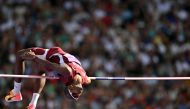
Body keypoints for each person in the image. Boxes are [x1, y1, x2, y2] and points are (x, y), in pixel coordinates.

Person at [4, 47, 91, 109]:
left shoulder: (67, 71)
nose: (78, 94)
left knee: (20, 55)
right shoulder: (86, 80)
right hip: (57, 65)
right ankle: (33, 104)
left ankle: (16, 92)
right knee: (40, 71)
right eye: (77, 96)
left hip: (50, 57)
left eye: (74, 94)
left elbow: (49, 64)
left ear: (71, 87)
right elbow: (88, 80)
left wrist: (34, 57)